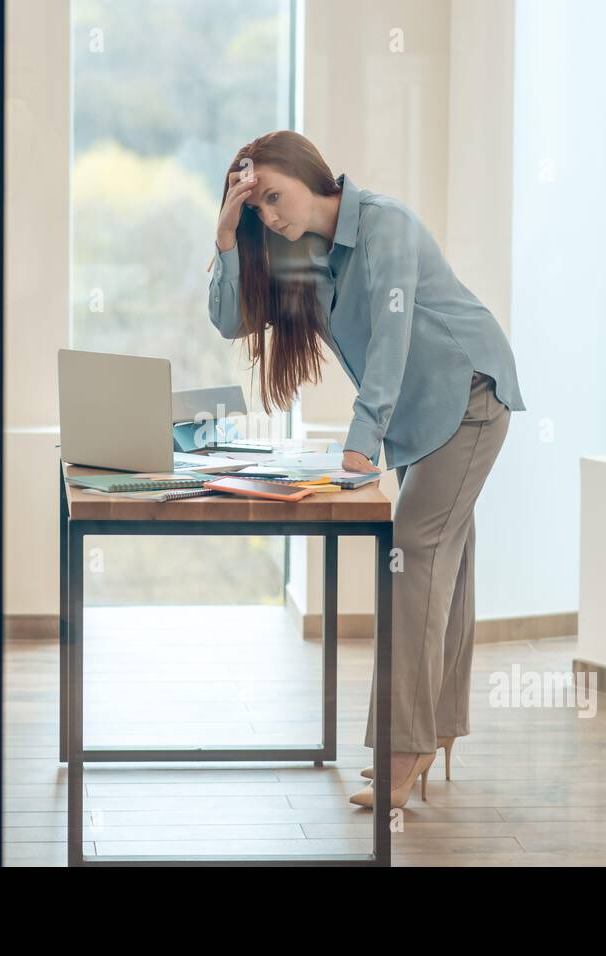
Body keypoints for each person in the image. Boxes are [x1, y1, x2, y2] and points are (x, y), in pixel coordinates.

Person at [206, 130, 525, 809]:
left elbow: (393, 332)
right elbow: (230, 320)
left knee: (413, 557)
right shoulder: (297, 255)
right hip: (421, 417)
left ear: (307, 173)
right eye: (256, 205)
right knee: (443, 564)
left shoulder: (385, 224)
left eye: (271, 196)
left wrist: (362, 440)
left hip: (468, 394)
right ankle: (429, 734)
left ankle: (403, 750)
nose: (269, 212)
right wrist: (229, 237)